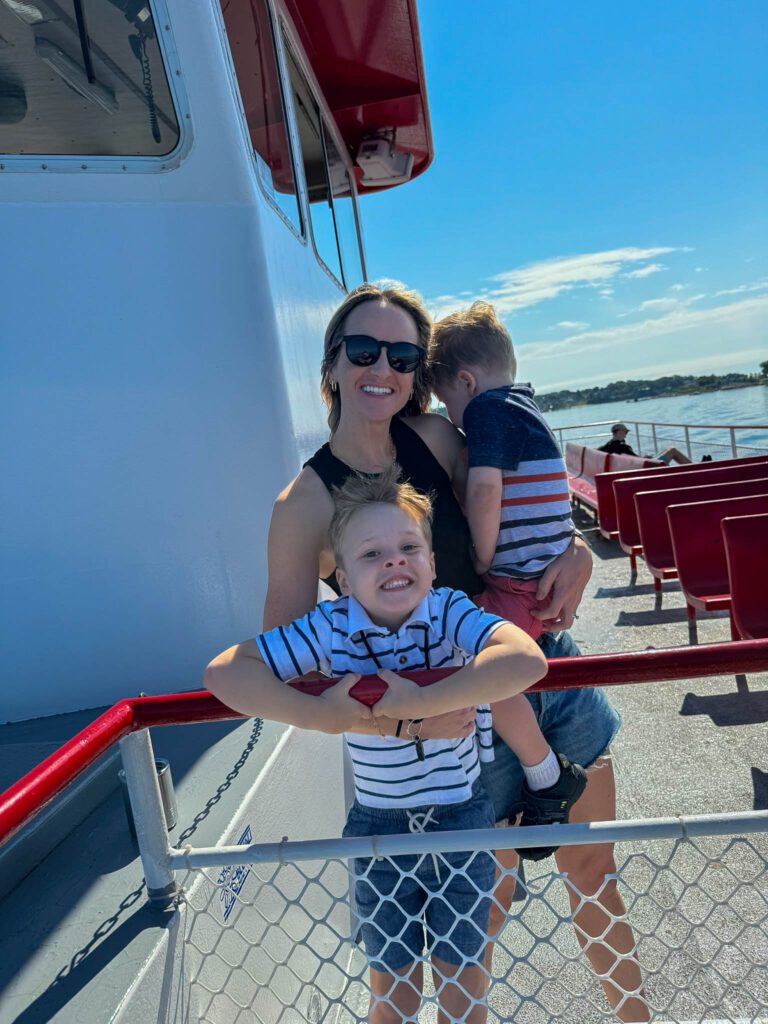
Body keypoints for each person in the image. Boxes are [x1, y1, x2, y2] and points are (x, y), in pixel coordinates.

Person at [258, 282, 649, 1022]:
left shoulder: (438, 440)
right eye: (363, 350)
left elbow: (522, 510)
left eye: (403, 355)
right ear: (332, 363)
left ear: (418, 371)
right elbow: (289, 670)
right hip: (448, 740)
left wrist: (574, 552)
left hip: (545, 671)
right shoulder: (303, 505)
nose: (383, 367)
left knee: (595, 870)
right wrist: (400, 719)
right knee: (474, 932)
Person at [206, 469, 549, 1023]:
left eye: (409, 548)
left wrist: (421, 702)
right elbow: (224, 672)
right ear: (343, 580)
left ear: (432, 564)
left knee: (463, 989)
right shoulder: (330, 626)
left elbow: (525, 659)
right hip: (378, 832)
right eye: (372, 554)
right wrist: (319, 715)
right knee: (394, 996)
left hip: (461, 823)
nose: (394, 561)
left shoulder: (448, 610)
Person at [429, 301, 588, 857]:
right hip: (538, 573)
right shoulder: (526, 406)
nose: (452, 417)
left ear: (466, 382)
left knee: (481, 665)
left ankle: (546, 776)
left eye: (448, 403)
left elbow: (485, 489)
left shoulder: (487, 412)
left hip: (517, 581)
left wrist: (481, 555)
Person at [599, 423, 693, 465]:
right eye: (626, 432)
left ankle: (692, 467)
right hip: (648, 467)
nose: (626, 435)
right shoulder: (623, 447)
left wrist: (644, 458)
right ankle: (695, 469)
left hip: (636, 466)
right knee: (672, 450)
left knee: (666, 450)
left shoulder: (607, 446)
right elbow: (637, 461)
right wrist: (645, 458)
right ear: (620, 431)